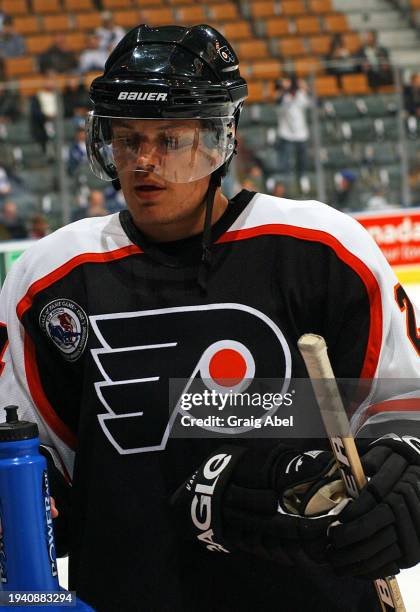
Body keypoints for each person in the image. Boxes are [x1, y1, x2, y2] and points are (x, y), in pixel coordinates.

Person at [1, 24, 420, 612]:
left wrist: (406, 472)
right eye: (127, 139)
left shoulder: (321, 250)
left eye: (168, 141)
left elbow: (403, 410)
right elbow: (33, 465)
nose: (143, 162)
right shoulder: (51, 279)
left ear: (219, 140)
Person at [275, 76, 311, 182]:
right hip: (286, 134)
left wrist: (305, 87)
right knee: (286, 160)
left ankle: (302, 177)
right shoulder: (284, 97)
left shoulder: (301, 95)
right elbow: (278, 101)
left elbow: (315, 102)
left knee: (302, 159)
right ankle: (286, 180)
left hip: (301, 133)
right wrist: (284, 87)